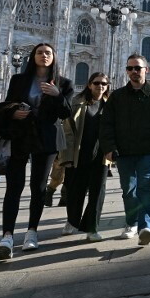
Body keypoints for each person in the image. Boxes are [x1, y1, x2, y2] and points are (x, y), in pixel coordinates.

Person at [0, 43, 73, 260]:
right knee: (14, 186)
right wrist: (13, 113)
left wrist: (57, 95)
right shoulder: (19, 80)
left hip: (46, 138)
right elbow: (8, 104)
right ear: (33, 56)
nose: (44, 56)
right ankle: (7, 236)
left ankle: (32, 232)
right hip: (20, 135)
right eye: (40, 52)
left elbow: (66, 112)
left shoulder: (63, 83)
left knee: (38, 187)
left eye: (48, 53)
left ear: (54, 57)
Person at [100, 54, 150, 245]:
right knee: (128, 191)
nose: (133, 72)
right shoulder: (117, 96)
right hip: (123, 152)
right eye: (130, 68)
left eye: (137, 68)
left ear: (146, 70)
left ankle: (145, 226)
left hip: (147, 152)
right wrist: (109, 147)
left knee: (145, 189)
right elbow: (106, 124)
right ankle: (131, 222)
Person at [58, 72, 110, 242]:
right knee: (75, 190)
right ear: (89, 84)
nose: (100, 86)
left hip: (101, 155)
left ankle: (92, 227)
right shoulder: (77, 102)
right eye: (97, 83)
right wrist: (65, 155)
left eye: (104, 83)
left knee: (97, 192)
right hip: (78, 153)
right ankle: (72, 221)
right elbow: (67, 129)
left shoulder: (110, 105)